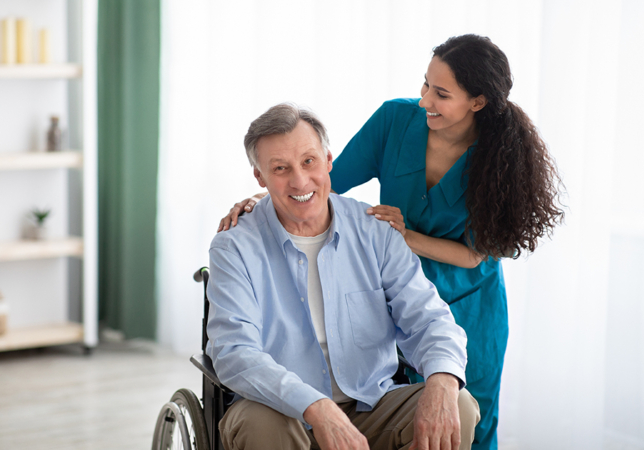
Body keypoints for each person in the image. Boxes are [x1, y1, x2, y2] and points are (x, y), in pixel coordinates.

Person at [218, 35, 564, 450]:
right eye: (425, 85)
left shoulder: (496, 157)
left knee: (467, 408)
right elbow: (323, 182)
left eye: (441, 93)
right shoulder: (395, 123)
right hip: (383, 283)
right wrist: (265, 200)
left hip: (467, 296)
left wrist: (402, 238)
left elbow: (473, 256)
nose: (425, 100)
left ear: (477, 102)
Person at [207, 103, 481, 450]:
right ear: (260, 177)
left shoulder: (375, 232)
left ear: (328, 160)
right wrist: (315, 407)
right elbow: (234, 351)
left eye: (309, 162)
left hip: (372, 403)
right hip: (281, 409)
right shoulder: (234, 247)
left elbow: (429, 318)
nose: (300, 180)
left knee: (459, 405)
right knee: (262, 425)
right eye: (280, 168)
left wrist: (442, 382)